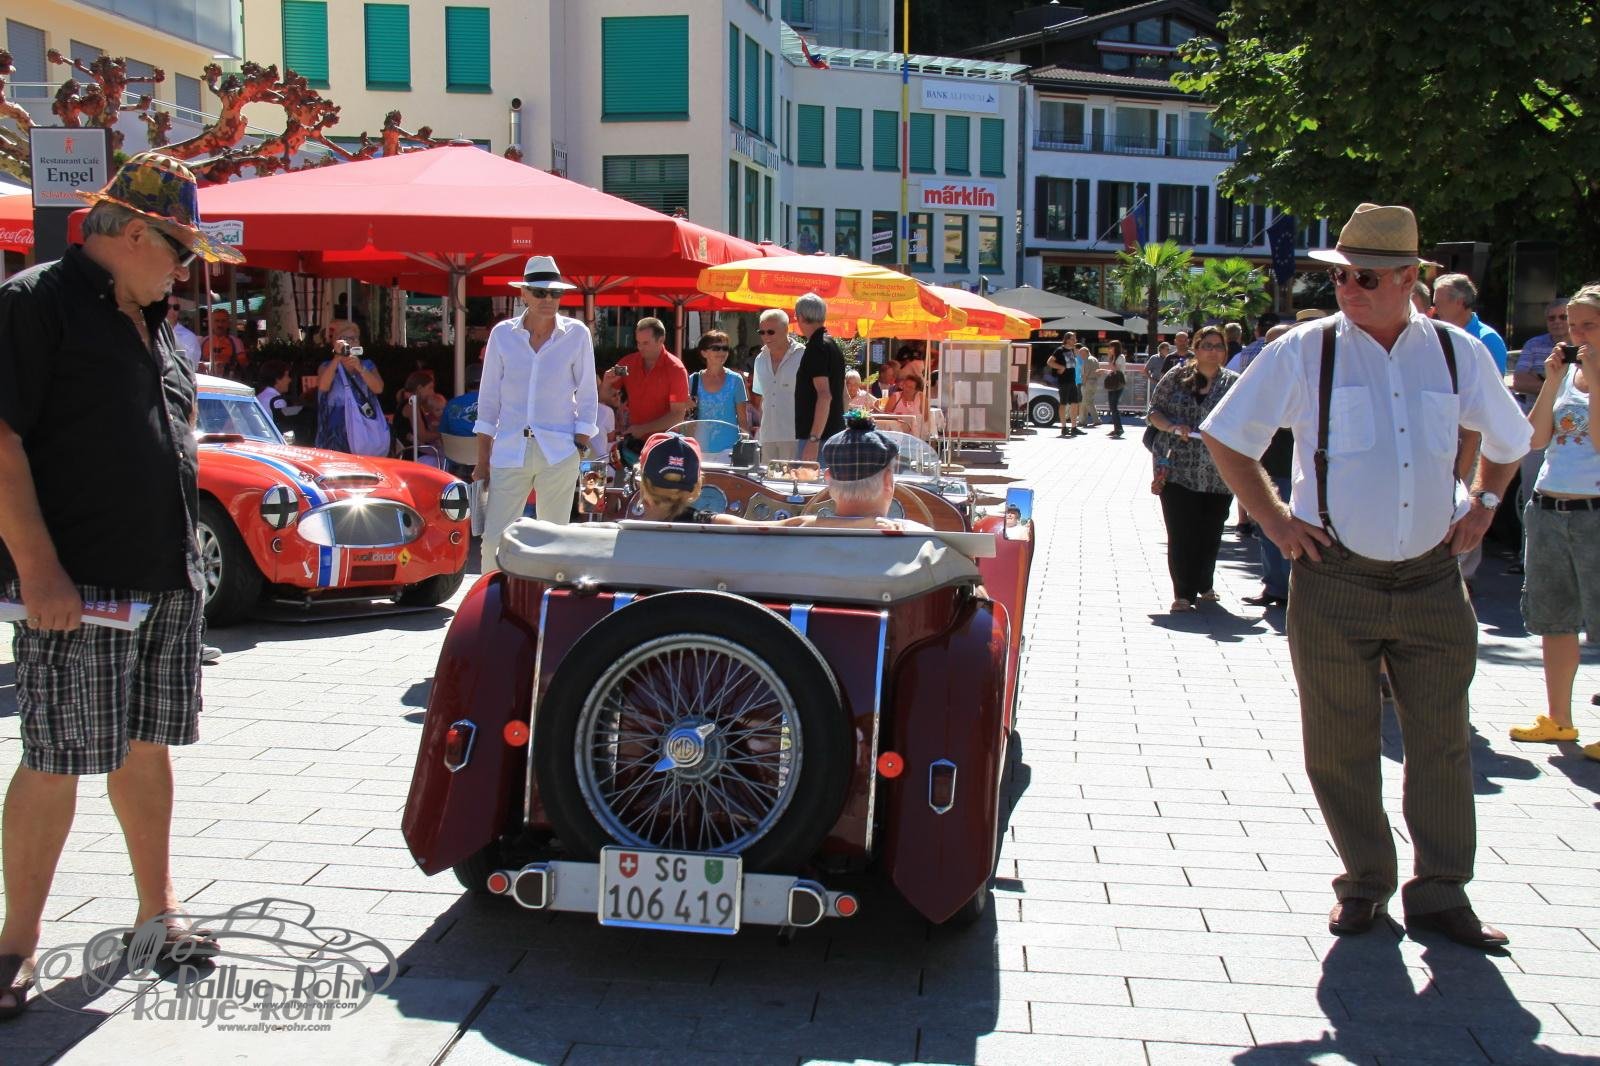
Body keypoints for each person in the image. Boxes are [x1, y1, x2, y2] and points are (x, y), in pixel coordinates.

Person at [1201, 202, 1530, 952]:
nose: (1348, 288)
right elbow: (1227, 436)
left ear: (1411, 278)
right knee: (1339, 744)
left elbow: (1510, 439)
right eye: (1341, 275)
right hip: (1334, 576)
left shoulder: (1456, 352)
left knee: (1443, 742)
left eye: (1367, 277)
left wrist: (1483, 503)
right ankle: (1365, 883)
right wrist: (1276, 520)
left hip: (1432, 578)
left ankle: (1441, 893)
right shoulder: (1306, 349)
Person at [0, 152, 247, 1018]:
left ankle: (156, 912)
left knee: (148, 746)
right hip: (81, 582)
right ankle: (15, 943)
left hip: (164, 578)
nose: (186, 271)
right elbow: (1, 440)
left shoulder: (149, 316)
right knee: (56, 758)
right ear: (136, 233)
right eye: (180, 252)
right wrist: (38, 569)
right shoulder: (37, 303)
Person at [1508, 284, 1600, 758]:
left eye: (1588, 325)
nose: (1576, 334)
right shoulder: (1568, 372)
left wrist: (1595, 379)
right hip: (1549, 508)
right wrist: (1551, 381)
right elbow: (1536, 438)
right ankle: (1559, 719)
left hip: (1594, 513)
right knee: (1554, 618)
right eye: (1571, 324)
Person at [475, 255, 599, 572]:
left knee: (554, 541)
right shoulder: (502, 334)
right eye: (540, 292)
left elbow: (588, 394)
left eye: (555, 293)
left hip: (559, 450)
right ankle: (489, 599)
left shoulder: (577, 334)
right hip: (509, 447)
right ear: (524, 294)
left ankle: (546, 599)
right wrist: (482, 460)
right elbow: (488, 400)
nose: (548, 299)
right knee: (493, 540)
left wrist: (579, 444)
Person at [1146, 325, 1240, 612]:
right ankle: (1183, 593)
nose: (1213, 351)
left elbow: (1246, 419)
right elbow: (1154, 412)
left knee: (1210, 530)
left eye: (1219, 346)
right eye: (1207, 345)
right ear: (1196, 348)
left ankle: (1204, 582)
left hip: (1218, 471)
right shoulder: (1176, 377)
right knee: (1181, 531)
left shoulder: (1235, 383)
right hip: (1176, 466)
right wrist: (1173, 427)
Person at [807, 412, 930, 530]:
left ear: (828, 478)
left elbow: (797, 523)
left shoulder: (804, 532)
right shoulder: (918, 535)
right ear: (888, 481)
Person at [607, 317, 690, 464]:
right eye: (638, 342)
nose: (640, 347)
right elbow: (605, 396)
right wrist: (605, 383)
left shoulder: (676, 369)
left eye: (645, 343)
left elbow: (677, 415)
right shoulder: (628, 364)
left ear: (661, 340)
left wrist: (643, 429)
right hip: (634, 446)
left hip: (664, 446)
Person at [793, 292, 846, 462]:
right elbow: (844, 395)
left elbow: (824, 395)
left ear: (801, 317)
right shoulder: (832, 345)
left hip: (819, 438)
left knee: (807, 480)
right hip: (834, 435)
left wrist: (813, 439)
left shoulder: (816, 348)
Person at [314, 339, 387, 454]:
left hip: (362, 424)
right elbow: (323, 386)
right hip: (336, 428)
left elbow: (378, 388)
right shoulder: (327, 365)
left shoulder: (367, 364)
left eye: (353, 339)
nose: (349, 343)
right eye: (344, 339)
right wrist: (337, 359)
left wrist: (360, 368)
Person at [1432, 273, 1510, 377]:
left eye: (1439, 304)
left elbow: (1493, 383)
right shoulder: (1437, 336)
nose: (1435, 310)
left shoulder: (1487, 339)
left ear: (1459, 302)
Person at [751, 308, 804, 461]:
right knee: (767, 477)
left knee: (792, 476)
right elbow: (761, 398)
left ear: (786, 329)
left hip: (795, 435)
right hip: (768, 436)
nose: (766, 336)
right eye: (762, 332)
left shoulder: (803, 355)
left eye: (771, 332)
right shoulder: (760, 359)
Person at [688, 330, 749, 434]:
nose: (721, 352)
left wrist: (745, 441)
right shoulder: (693, 380)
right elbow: (687, 417)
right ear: (704, 353)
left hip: (730, 443)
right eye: (716, 348)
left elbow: (743, 420)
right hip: (698, 442)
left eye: (725, 348)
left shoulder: (736, 380)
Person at [1046, 344, 1080, 436]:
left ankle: (1074, 427)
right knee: (1063, 403)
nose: (1075, 341)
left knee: (1075, 403)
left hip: (1072, 381)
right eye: (1073, 339)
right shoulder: (1060, 350)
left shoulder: (1072, 351)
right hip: (1063, 381)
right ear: (1067, 340)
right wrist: (1061, 367)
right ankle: (1063, 427)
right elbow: (1049, 362)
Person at [203, 308, 247, 377]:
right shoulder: (203, 341)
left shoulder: (236, 342)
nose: (220, 324)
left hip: (229, 379)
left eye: (223, 321)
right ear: (211, 323)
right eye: (217, 321)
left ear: (228, 324)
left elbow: (243, 364)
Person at [1102, 339, 1128, 438]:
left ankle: (1119, 429)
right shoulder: (1114, 357)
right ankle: (1116, 428)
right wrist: (1104, 370)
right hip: (1113, 383)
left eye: (1111, 347)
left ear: (1115, 347)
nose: (1109, 349)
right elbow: (1112, 371)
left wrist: (1110, 359)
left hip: (1118, 383)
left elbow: (1115, 369)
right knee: (1112, 406)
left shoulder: (1120, 357)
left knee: (1114, 406)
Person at [168, 300, 200, 367]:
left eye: (176, 307)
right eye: (168, 307)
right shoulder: (153, 334)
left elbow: (188, 365)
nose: (172, 311)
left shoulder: (189, 337)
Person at [1076, 345, 1102, 427]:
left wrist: (1083, 383)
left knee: (1088, 402)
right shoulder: (1095, 359)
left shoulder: (1087, 360)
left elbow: (1085, 374)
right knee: (1086, 402)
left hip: (1088, 383)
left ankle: (1096, 420)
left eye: (1081, 354)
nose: (1080, 356)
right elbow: (1099, 373)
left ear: (1085, 353)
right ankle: (1082, 420)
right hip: (1094, 382)